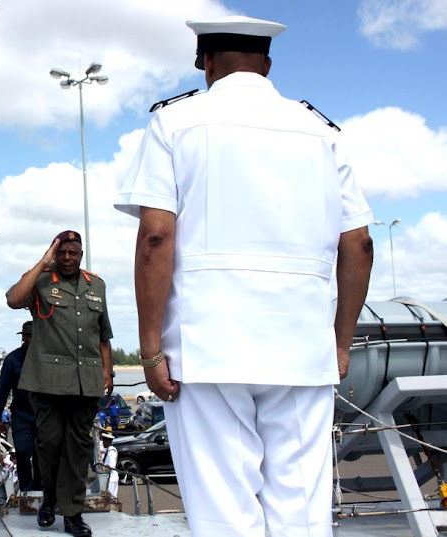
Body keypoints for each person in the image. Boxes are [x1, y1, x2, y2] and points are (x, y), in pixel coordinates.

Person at [115, 15, 373, 537]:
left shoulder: (176, 122)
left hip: (210, 346)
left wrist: (149, 348)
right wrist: (340, 342)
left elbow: (157, 237)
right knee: (302, 511)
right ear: (268, 66)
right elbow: (359, 243)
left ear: (205, 63)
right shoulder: (322, 132)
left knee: (224, 514)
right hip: (301, 346)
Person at [6, 230, 114, 537]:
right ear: (56, 253)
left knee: (78, 449)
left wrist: (108, 371)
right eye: (62, 252)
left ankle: (72, 514)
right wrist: (43, 262)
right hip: (47, 382)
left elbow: (103, 334)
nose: (68, 258)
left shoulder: (97, 285)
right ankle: (50, 497)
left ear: (81, 255)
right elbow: (14, 299)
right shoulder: (41, 281)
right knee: (49, 443)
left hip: (86, 382)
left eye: (73, 253)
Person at [0, 320, 41, 491]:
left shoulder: (46, 359)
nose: (31, 340)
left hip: (44, 414)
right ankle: (26, 489)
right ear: (24, 338)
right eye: (28, 336)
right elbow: (2, 390)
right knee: (22, 452)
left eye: (34, 336)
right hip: (21, 414)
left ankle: (41, 490)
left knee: (42, 455)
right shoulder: (12, 359)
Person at [100, 432, 119, 499]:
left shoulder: (111, 451)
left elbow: (111, 465)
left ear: (107, 441)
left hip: (112, 477)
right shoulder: (109, 449)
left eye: (104, 441)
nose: (102, 443)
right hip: (111, 477)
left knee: (111, 497)